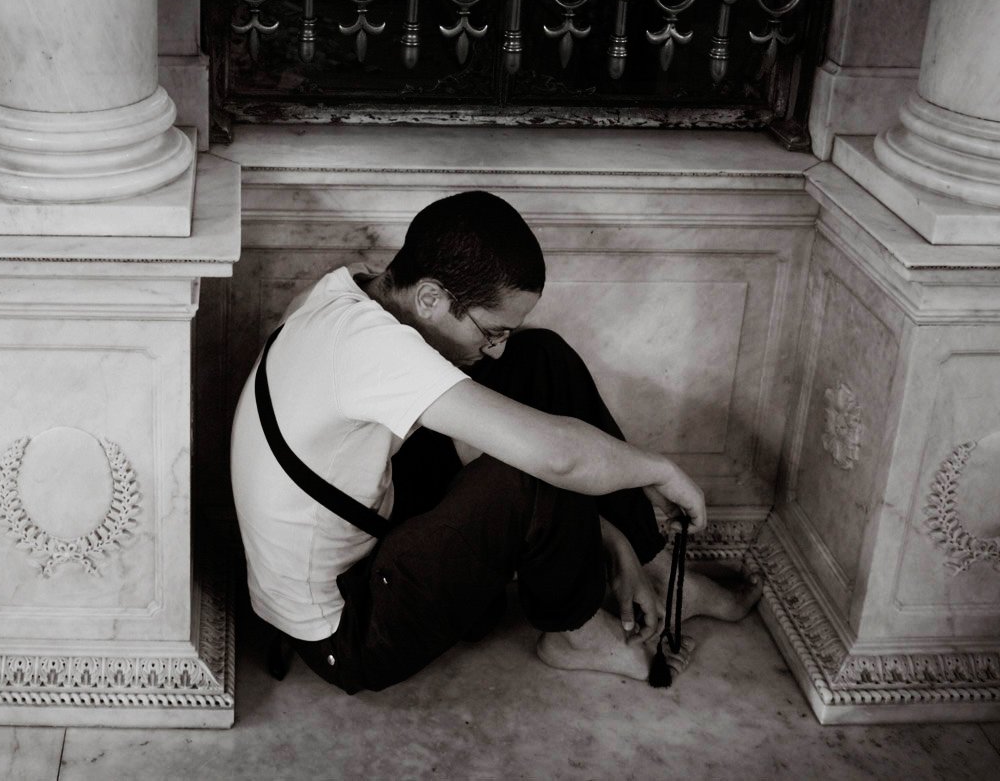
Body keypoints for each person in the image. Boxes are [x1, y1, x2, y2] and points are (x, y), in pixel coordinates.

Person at [230, 190, 761, 695]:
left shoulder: (350, 293)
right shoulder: (374, 352)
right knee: (535, 467)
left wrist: (616, 541)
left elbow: (496, 441)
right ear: (431, 297)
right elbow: (558, 457)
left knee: (540, 360)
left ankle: (650, 566)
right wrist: (659, 471)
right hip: (346, 629)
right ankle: (575, 637)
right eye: (491, 331)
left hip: (371, 517)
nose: (497, 350)